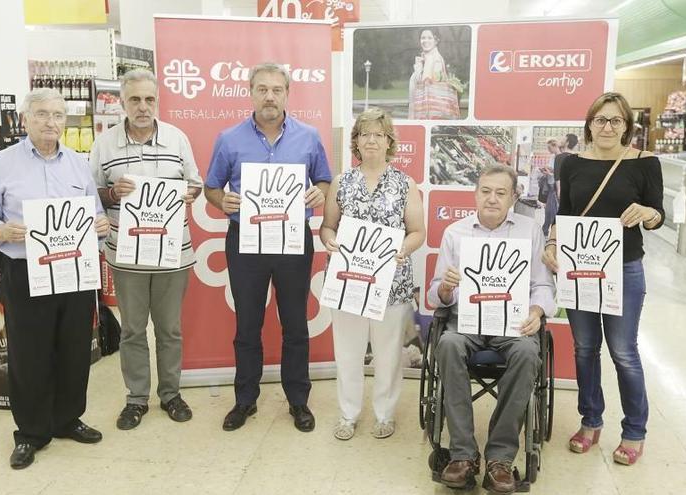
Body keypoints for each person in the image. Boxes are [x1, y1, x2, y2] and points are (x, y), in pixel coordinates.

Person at [0, 88, 110, 470]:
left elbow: (95, 215)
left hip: (74, 270)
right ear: (25, 119)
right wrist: (2, 231)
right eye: (43, 115)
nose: (52, 123)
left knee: (73, 349)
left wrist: (100, 226)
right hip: (25, 270)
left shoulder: (78, 164)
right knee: (28, 353)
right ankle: (31, 433)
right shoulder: (2, 163)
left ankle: (67, 419)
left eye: (59, 116)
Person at [204, 62, 333, 433]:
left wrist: (318, 192)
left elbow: (324, 179)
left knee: (295, 323)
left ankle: (299, 401)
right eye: (262, 89)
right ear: (250, 91)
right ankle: (245, 400)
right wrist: (220, 201)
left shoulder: (309, 137)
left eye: (277, 89)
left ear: (288, 94)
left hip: (293, 240)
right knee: (248, 323)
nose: (270, 96)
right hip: (245, 242)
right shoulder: (229, 139)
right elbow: (213, 186)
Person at [542, 92, 664, 466]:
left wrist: (646, 211)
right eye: (600, 120)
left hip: (624, 269)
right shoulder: (571, 163)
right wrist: (551, 242)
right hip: (580, 267)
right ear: (589, 124)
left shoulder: (645, 163)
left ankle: (634, 431)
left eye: (615, 120)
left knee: (624, 352)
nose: (607, 127)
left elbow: (658, 215)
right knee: (584, 348)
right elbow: (566, 212)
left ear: (627, 125)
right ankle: (590, 421)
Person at [427, 165, 555, 492]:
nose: (492, 199)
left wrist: (537, 311)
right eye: (486, 191)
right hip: (466, 321)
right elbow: (435, 293)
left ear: (513, 197)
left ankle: (500, 458)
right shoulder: (456, 233)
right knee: (448, 344)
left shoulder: (529, 231)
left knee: (528, 353)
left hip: (512, 323)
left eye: (501, 193)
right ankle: (463, 456)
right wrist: (445, 289)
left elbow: (542, 285)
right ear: (476, 193)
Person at [90, 69, 203, 431]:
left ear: (158, 101)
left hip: (172, 253)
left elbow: (196, 183)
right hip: (126, 254)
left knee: (170, 329)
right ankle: (136, 398)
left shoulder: (177, 138)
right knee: (133, 330)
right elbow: (90, 193)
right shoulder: (104, 144)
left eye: (149, 99)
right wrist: (111, 194)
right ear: (122, 102)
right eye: (135, 99)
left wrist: (189, 193)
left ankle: (170, 394)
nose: (143, 107)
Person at [319, 108, 425, 440]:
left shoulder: (405, 184)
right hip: (348, 282)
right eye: (365, 133)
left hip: (391, 283)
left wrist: (403, 249)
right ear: (356, 141)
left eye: (379, 134)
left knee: (388, 353)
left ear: (389, 141)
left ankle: (385, 414)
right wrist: (330, 241)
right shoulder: (341, 181)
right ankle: (348, 414)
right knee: (348, 352)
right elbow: (327, 226)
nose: (371, 140)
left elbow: (417, 231)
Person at [408, 28, 460, 120]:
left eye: (429, 38)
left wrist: (418, 67)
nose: (425, 41)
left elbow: (424, 82)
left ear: (436, 41)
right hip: (427, 113)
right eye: (423, 38)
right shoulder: (427, 58)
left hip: (429, 115)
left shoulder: (432, 59)